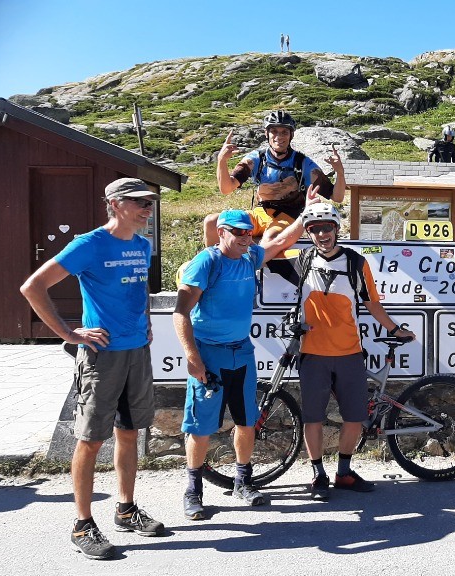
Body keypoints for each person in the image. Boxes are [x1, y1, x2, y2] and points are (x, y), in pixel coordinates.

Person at [19, 178, 165, 560]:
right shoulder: (89, 244)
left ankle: (126, 509)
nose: (147, 208)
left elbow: (139, 290)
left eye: (149, 202)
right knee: (91, 440)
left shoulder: (141, 244)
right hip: (102, 356)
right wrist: (69, 332)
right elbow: (32, 286)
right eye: (138, 202)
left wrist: (146, 321)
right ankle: (82, 524)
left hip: (137, 352)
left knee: (130, 433)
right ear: (115, 204)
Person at [174, 205, 315, 521]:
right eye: (237, 232)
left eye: (248, 233)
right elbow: (180, 312)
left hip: (242, 353)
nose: (244, 238)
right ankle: (193, 490)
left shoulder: (250, 257)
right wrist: (192, 357)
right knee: (200, 427)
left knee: (247, 421)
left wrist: (306, 212)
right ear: (221, 232)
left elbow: (279, 243)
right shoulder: (207, 262)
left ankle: (242, 481)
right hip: (209, 354)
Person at [291, 202, 416, 500]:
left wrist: (393, 328)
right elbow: (266, 251)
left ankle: (344, 472)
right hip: (312, 353)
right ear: (308, 233)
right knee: (312, 418)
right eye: (314, 229)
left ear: (337, 229)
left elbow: (372, 303)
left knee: (354, 416)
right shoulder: (302, 259)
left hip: (349, 352)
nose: (322, 234)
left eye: (327, 228)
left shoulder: (356, 263)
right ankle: (318, 474)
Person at [207, 110, 346, 248]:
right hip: (260, 214)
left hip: (289, 217)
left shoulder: (303, 164)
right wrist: (222, 161)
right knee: (212, 222)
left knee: (270, 238)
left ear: (291, 135)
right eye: (274, 131)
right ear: (266, 134)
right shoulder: (256, 159)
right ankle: (214, 267)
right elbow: (226, 188)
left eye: (284, 132)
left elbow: (337, 196)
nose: (279, 136)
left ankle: (251, 267)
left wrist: (339, 172)